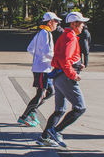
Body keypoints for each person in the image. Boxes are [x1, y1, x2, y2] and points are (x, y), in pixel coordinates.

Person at [37, 12, 89, 147]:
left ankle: (44, 137)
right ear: (74, 24)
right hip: (66, 78)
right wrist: (73, 74)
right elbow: (64, 59)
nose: (83, 25)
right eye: (81, 23)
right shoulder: (71, 37)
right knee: (80, 108)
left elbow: (61, 58)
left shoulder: (65, 35)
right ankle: (56, 131)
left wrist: (77, 64)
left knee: (60, 110)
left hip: (59, 77)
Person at [18, 12, 61, 127]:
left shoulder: (40, 33)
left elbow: (30, 48)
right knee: (41, 94)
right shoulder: (46, 33)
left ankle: (32, 111)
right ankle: (24, 116)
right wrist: (54, 60)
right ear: (49, 22)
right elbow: (48, 52)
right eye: (56, 21)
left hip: (42, 68)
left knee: (49, 92)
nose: (57, 24)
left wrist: (38, 58)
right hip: (43, 69)